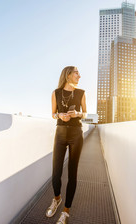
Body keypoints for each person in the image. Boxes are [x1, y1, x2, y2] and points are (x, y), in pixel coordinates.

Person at [46, 66, 87, 224]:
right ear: (68, 75)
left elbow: (85, 113)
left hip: (76, 134)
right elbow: (53, 114)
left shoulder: (81, 93)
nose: (79, 76)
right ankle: (57, 199)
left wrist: (78, 114)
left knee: (72, 173)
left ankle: (66, 211)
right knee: (56, 173)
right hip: (61, 133)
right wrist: (60, 115)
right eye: (77, 73)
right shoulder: (55, 93)